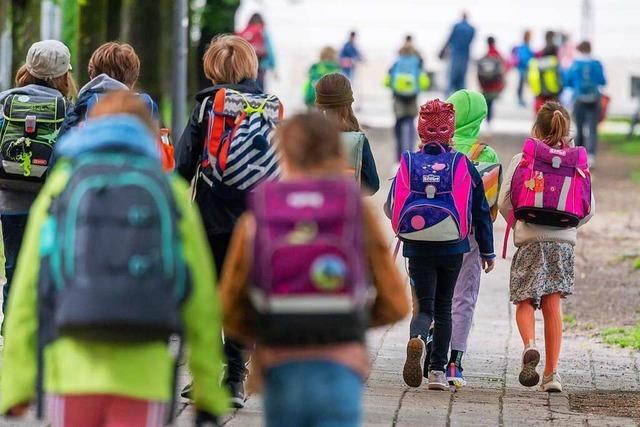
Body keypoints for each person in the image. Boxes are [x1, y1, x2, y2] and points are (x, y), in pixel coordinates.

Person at [0, 92, 229, 427]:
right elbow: (201, 300)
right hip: (145, 377)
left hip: (70, 373)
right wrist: (208, 389)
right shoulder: (170, 193)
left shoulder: (61, 187)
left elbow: (28, 290)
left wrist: (15, 386)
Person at [220, 112, 410, 427]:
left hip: (279, 363)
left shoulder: (260, 215)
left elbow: (229, 306)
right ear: (337, 152)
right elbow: (396, 303)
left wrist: (269, 328)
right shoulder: (355, 211)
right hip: (341, 363)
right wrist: (350, 321)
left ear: (284, 154)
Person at [176, 34, 272, 408]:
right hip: (256, 218)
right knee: (240, 294)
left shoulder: (207, 106)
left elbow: (184, 164)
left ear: (213, 67)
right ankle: (234, 378)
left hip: (211, 216)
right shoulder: (268, 107)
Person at [386, 99, 495, 390]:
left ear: (421, 131)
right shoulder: (462, 163)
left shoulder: (409, 161)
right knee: (445, 307)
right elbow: (481, 211)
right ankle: (436, 372)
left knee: (424, 307)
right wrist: (487, 250)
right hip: (452, 246)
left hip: (417, 246)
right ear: (451, 131)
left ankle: (418, 337)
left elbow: (390, 205)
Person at [498, 101, 595, 393]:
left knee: (524, 301)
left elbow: (505, 202)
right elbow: (588, 209)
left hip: (530, 239)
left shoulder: (523, 159)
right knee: (553, 306)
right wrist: (567, 226)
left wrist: (520, 224)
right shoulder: (578, 163)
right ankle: (552, 375)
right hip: (562, 242)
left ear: (536, 128)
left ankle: (530, 344)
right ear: (568, 129)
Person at [0, 40, 76, 328]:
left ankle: (12, 326)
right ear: (63, 76)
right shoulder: (67, 108)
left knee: (14, 267)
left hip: (11, 202)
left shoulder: (6, 100)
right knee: (50, 267)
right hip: (51, 202)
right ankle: (46, 326)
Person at [440, 89, 500, 387]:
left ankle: (430, 350)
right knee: (463, 298)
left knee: (434, 295)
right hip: (469, 238)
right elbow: (489, 208)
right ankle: (454, 363)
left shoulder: (433, 147)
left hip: (431, 236)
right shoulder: (484, 154)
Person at [58, 42, 158, 138]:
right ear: (134, 79)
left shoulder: (83, 106)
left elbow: (61, 151)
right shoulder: (147, 105)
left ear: (92, 75)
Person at [315, 73, 380, 194]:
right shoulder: (359, 140)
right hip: (347, 209)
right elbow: (372, 186)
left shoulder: (309, 138)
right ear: (348, 103)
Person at [565, 41, 606, 165]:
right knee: (593, 129)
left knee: (579, 128)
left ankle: (578, 156)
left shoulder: (575, 64)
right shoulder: (596, 64)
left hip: (579, 99)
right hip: (594, 100)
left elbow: (568, 82)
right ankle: (591, 156)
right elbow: (602, 81)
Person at [386, 45, 430, 161]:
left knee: (398, 125)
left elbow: (387, 82)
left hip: (398, 99)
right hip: (412, 98)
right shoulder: (416, 63)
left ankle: (398, 157)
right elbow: (424, 83)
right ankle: (410, 154)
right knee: (410, 123)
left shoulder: (396, 63)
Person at [238, 13, 276, 90]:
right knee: (258, 89)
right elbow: (270, 50)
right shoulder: (262, 32)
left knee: (246, 89)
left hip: (244, 68)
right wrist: (273, 66)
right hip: (260, 67)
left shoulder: (245, 31)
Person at [441, 12, 475, 96]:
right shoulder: (471, 28)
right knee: (462, 81)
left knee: (451, 79)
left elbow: (449, 39)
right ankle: (462, 99)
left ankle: (447, 101)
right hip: (465, 56)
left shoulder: (456, 26)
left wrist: (443, 50)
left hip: (455, 55)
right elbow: (471, 41)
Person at [528, 31, 562, 113]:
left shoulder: (536, 61)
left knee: (540, 117)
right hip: (553, 93)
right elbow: (560, 77)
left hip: (539, 92)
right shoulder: (554, 61)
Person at [477, 36, 507, 126]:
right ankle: (489, 122)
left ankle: (487, 122)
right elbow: (503, 69)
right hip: (494, 85)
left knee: (487, 103)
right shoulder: (498, 55)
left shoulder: (484, 56)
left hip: (485, 85)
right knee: (491, 103)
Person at [514, 31, 534, 107]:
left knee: (522, 84)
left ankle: (521, 99)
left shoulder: (524, 46)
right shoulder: (525, 46)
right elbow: (524, 58)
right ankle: (520, 100)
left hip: (523, 68)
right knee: (522, 84)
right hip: (523, 68)